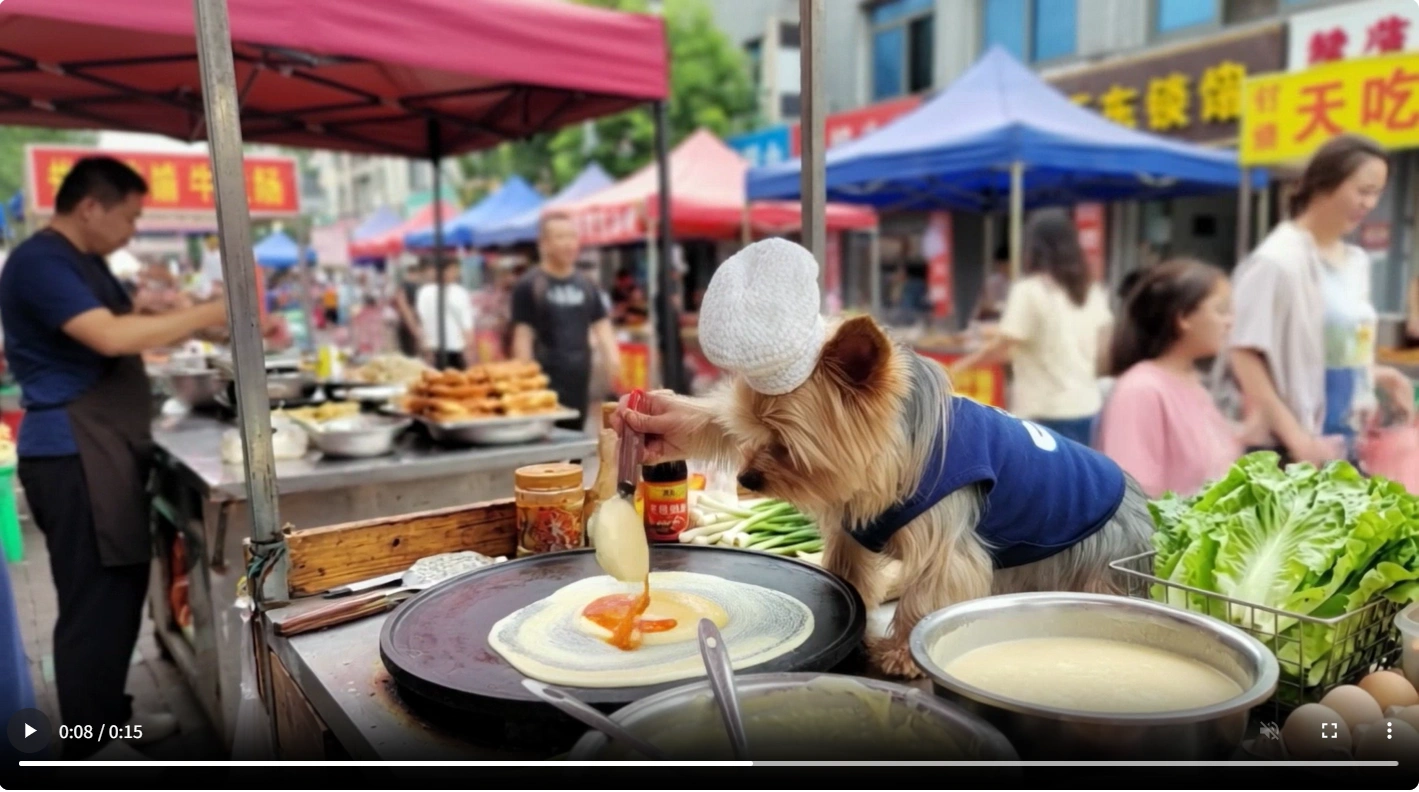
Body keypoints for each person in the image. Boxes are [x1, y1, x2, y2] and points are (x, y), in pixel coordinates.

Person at [0, 158, 231, 759]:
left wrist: (195, 321)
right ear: (89, 207)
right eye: (129, 217)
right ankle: (90, 746)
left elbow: (134, 324)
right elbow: (110, 337)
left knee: (119, 587)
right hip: (75, 453)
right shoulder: (41, 261)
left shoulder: (85, 264)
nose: (133, 230)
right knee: (92, 601)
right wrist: (212, 313)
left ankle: (108, 719)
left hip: (101, 448)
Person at [1224, 134, 1413, 466]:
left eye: (1377, 193)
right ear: (1325, 183)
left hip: (1348, 442)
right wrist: (1297, 439)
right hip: (1292, 448)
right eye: (1363, 190)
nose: (1369, 204)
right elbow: (1243, 353)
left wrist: (1379, 374)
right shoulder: (1276, 261)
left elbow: (1335, 350)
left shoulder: (1356, 261)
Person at [948, 209, 1113, 446]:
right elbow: (1103, 352)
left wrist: (957, 367)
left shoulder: (1031, 290)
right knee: (1074, 481)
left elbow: (1003, 348)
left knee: (1042, 481)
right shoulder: (1092, 291)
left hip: (1043, 410)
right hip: (1085, 406)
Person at [1098, 260, 1260, 498]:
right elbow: (1132, 498)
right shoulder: (1141, 390)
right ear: (1183, 317)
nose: (1229, 322)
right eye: (1220, 310)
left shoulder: (1192, 381)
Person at [511, 211, 621, 432]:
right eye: (560, 237)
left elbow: (602, 326)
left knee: (576, 448)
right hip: (543, 386)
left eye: (572, 236)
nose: (569, 243)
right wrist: (525, 386)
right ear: (543, 243)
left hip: (579, 381)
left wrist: (614, 363)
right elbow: (522, 337)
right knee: (546, 458)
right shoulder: (530, 285)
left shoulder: (587, 285)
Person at [416, 258, 475, 370]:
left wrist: (423, 346)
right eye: (454, 270)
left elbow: (421, 322)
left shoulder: (424, 292)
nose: (456, 273)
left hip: (433, 349)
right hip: (455, 349)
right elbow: (467, 325)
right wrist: (470, 348)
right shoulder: (459, 293)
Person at [393, 260, 429, 357]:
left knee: (409, 355)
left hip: (407, 325)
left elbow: (403, 306)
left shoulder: (404, 286)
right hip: (415, 325)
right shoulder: (419, 287)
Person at [971, 246, 1011, 323]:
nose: (1002, 268)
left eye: (1005, 265)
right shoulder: (992, 282)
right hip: (991, 324)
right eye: (1000, 265)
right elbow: (984, 307)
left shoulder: (1021, 284)